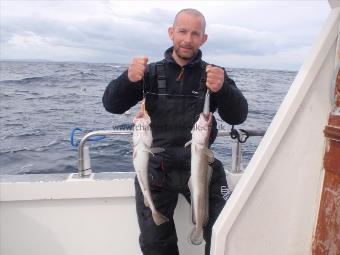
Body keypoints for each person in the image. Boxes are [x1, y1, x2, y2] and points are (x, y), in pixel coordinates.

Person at [102, 8, 248, 255]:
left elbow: (238, 116)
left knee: (226, 230)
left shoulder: (214, 74)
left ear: (204, 39)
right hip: (157, 169)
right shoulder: (150, 73)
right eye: (182, 31)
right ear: (171, 33)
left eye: (195, 33)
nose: (187, 39)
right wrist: (129, 79)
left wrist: (223, 89)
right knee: (154, 244)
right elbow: (112, 105)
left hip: (202, 164)